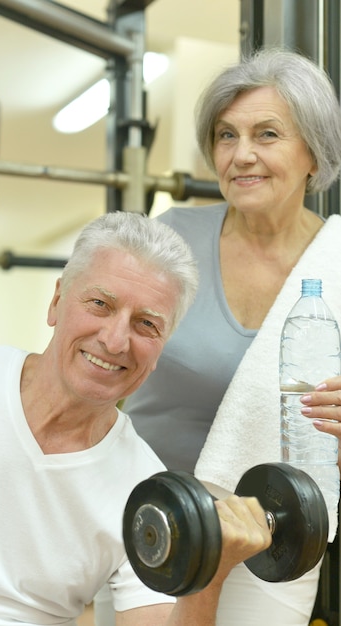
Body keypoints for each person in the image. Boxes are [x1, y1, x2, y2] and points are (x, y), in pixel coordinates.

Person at [0, 210, 273, 626]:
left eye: (146, 324)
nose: (114, 341)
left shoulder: (145, 492)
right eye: (99, 305)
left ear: (162, 348)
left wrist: (208, 579)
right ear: (56, 302)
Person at [119, 48, 341, 626]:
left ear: (314, 154)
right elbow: (94, 344)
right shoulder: (171, 239)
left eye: (267, 134)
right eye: (226, 135)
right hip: (151, 510)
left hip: (276, 530)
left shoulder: (339, 265)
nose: (242, 155)